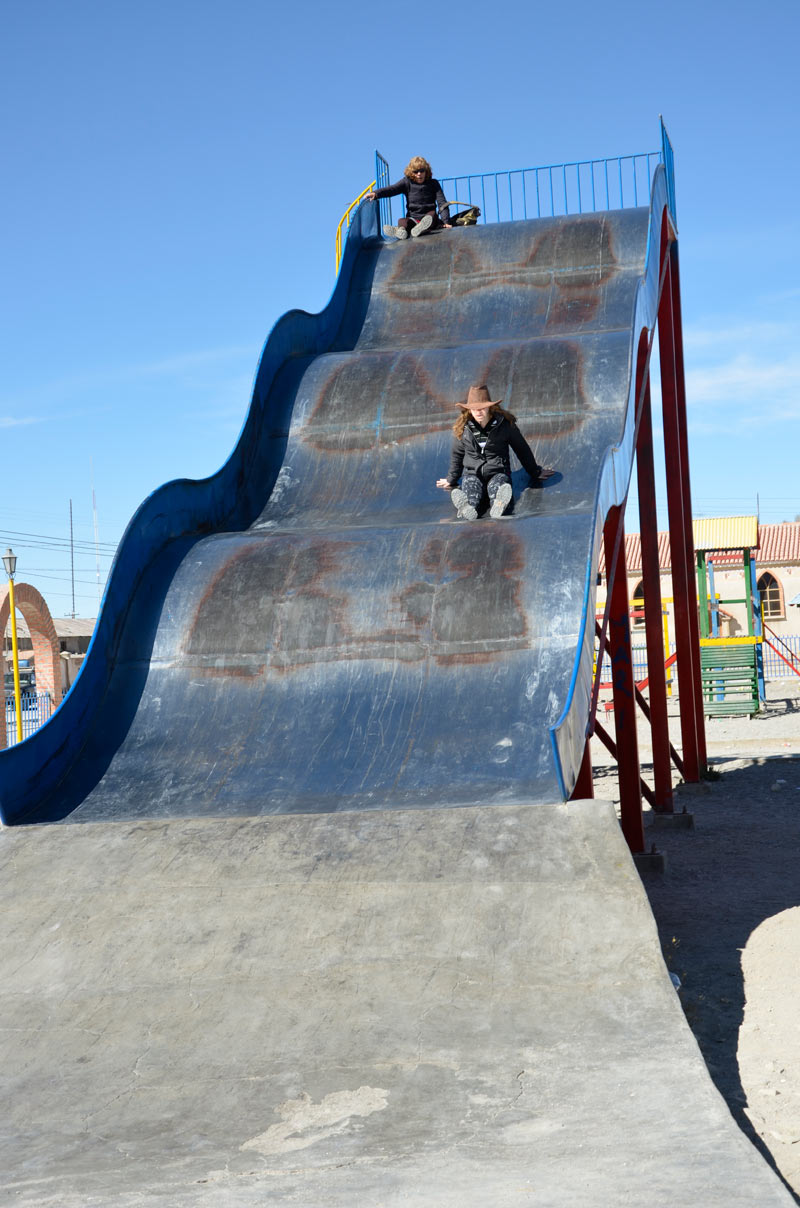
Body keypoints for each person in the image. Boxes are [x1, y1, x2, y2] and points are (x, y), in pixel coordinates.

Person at [436, 384, 554, 520]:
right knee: (470, 489)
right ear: (469, 410)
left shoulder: (504, 425)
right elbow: (457, 455)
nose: (478, 412)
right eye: (474, 409)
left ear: (489, 407)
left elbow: (522, 449)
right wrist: (451, 479)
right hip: (472, 473)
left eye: (482, 408)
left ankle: (499, 504)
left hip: (498, 471)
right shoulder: (463, 429)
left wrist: (535, 471)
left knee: (498, 487)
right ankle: (468, 506)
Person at [365, 156, 452, 239]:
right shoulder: (407, 182)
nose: (419, 174)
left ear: (426, 171)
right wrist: (376, 194)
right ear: (411, 173)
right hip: (413, 219)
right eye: (416, 171)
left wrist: (446, 221)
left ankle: (420, 228)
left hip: (429, 219)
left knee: (432, 215)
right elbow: (392, 189)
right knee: (402, 221)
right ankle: (401, 231)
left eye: (422, 171)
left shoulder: (433, 184)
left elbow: (442, 203)